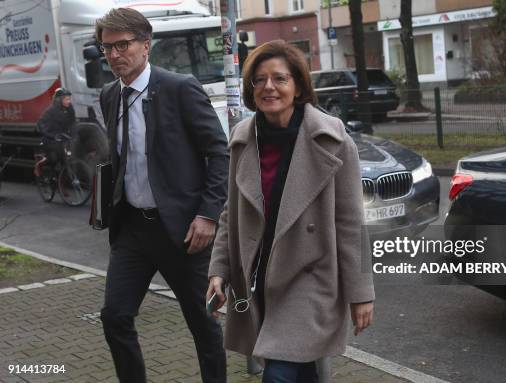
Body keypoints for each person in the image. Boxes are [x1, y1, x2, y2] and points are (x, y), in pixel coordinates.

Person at [207, 40, 375, 382]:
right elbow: (230, 215)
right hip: (257, 278)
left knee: (279, 374)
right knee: (298, 371)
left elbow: (350, 223)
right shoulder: (242, 140)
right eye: (260, 80)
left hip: (308, 279)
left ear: (298, 87)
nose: (269, 87)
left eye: (280, 79)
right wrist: (219, 270)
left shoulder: (332, 139)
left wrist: (361, 294)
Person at [95, 8, 229, 383]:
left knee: (203, 324)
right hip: (133, 231)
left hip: (184, 231)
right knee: (115, 316)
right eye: (107, 48)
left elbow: (219, 153)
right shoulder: (110, 96)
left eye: (123, 45)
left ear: (146, 45)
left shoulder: (179, 87)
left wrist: (208, 215)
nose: (114, 54)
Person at [37, 88, 75, 164]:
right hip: (52, 140)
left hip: (65, 138)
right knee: (59, 156)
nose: (69, 101)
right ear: (59, 100)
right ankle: (54, 173)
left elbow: (72, 123)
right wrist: (53, 136)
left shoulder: (70, 109)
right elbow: (40, 125)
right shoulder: (50, 111)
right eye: (67, 99)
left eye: (69, 99)